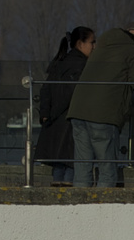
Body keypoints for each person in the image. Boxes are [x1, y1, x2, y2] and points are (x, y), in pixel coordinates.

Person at [65, 22, 134, 187]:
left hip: (78, 111)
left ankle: (79, 207)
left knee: (82, 166)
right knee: (107, 168)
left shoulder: (101, 48)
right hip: (104, 114)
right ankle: (104, 207)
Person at [37, 28, 95, 185]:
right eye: (92, 42)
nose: (94, 46)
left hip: (56, 126)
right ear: (80, 44)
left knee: (59, 170)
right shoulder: (82, 65)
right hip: (71, 123)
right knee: (71, 167)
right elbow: (71, 93)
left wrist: (46, 114)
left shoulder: (60, 62)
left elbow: (46, 90)